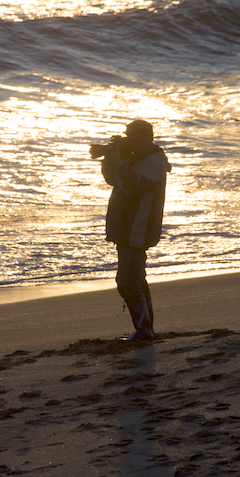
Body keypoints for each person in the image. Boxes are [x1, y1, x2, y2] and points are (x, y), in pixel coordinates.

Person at [92, 120, 171, 341]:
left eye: (134, 138)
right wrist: (111, 157)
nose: (131, 143)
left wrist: (120, 162)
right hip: (128, 227)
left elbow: (134, 189)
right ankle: (146, 329)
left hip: (138, 228)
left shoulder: (154, 163)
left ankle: (145, 330)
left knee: (127, 281)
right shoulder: (136, 158)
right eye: (129, 138)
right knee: (136, 279)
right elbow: (112, 179)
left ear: (146, 139)